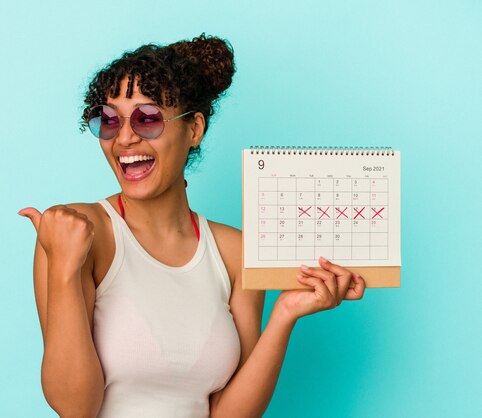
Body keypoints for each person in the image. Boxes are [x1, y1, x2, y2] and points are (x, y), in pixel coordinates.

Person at [18, 33, 366, 418]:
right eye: (110, 120)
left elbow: (230, 413)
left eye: (147, 118)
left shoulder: (235, 252)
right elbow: (74, 407)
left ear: (194, 129)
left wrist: (285, 314)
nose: (125, 138)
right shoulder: (76, 231)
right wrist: (65, 268)